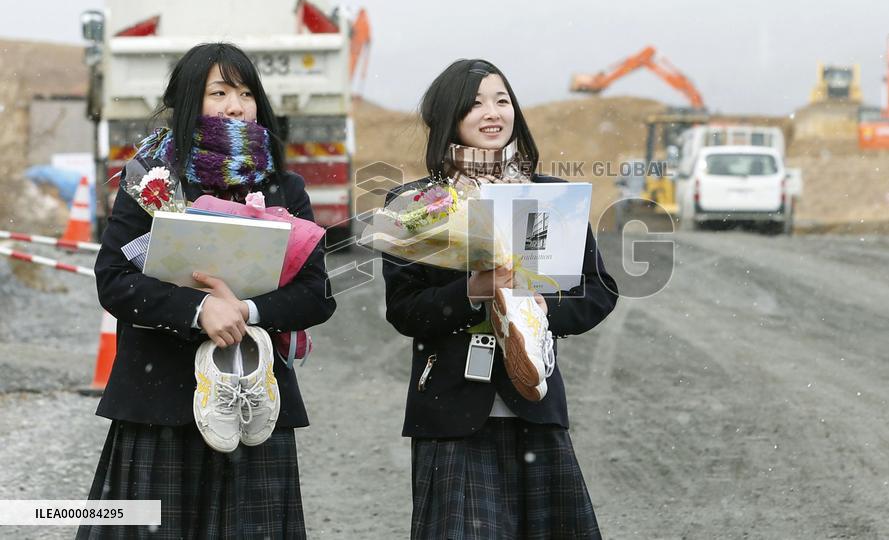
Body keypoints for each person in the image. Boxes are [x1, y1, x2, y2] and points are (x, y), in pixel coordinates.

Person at [78, 43, 335, 539]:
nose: (235, 105)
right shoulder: (152, 181)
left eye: (245, 93)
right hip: (159, 401)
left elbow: (317, 294)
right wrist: (198, 309)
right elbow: (114, 279)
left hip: (252, 401)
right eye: (218, 92)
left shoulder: (285, 188)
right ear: (189, 103)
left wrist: (246, 309)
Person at [382, 59, 618, 538]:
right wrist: (473, 291)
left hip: (535, 406)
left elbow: (599, 289)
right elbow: (404, 309)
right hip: (450, 408)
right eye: (474, 104)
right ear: (448, 118)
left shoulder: (549, 198)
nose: (492, 113)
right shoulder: (415, 206)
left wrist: (537, 308)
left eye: (501, 100)